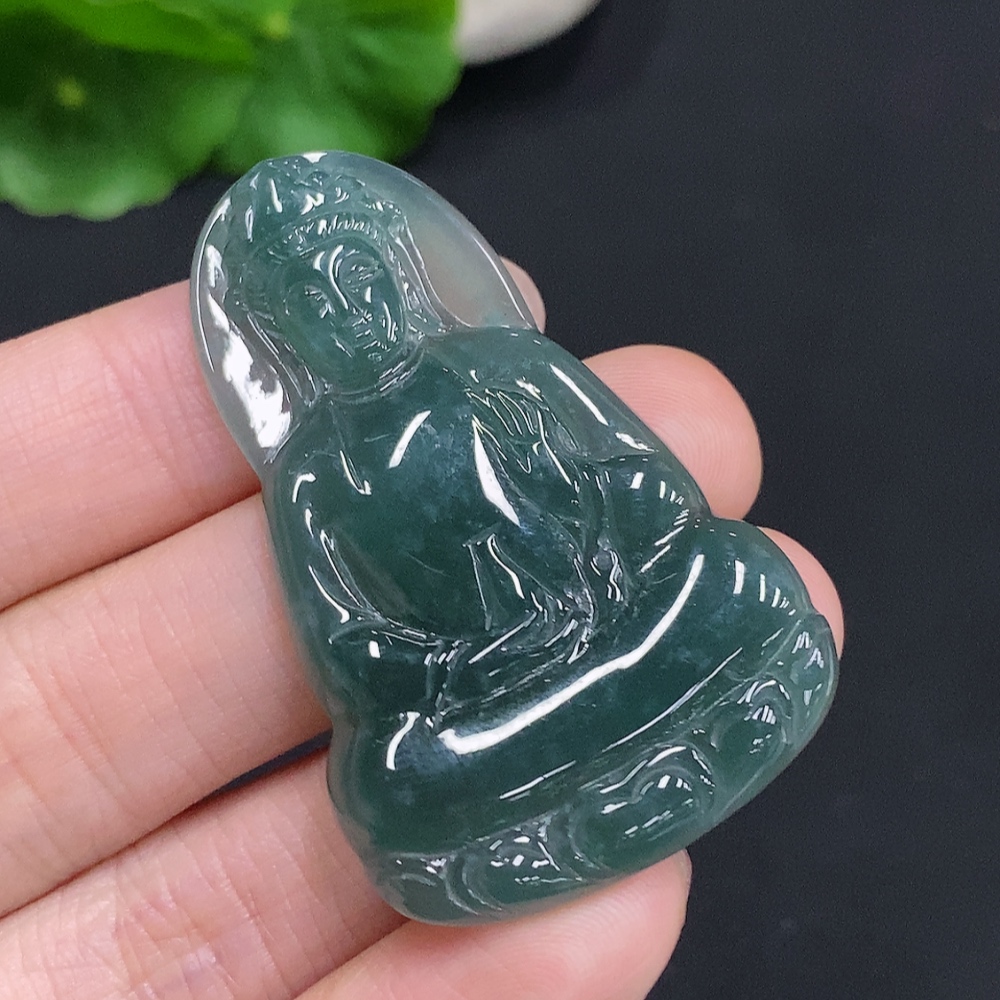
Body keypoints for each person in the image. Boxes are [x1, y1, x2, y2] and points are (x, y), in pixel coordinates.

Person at [0, 262, 842, 999]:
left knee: (736, 573)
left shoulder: (504, 366)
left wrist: (605, 541)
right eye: (313, 303)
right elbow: (350, 646)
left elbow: (641, 482)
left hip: (619, 615)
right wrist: (456, 665)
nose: (349, 312)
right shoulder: (315, 476)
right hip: (491, 691)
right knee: (393, 783)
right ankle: (688, 741)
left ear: (399, 280)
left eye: (361, 280)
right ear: (284, 336)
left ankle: (591, 795)